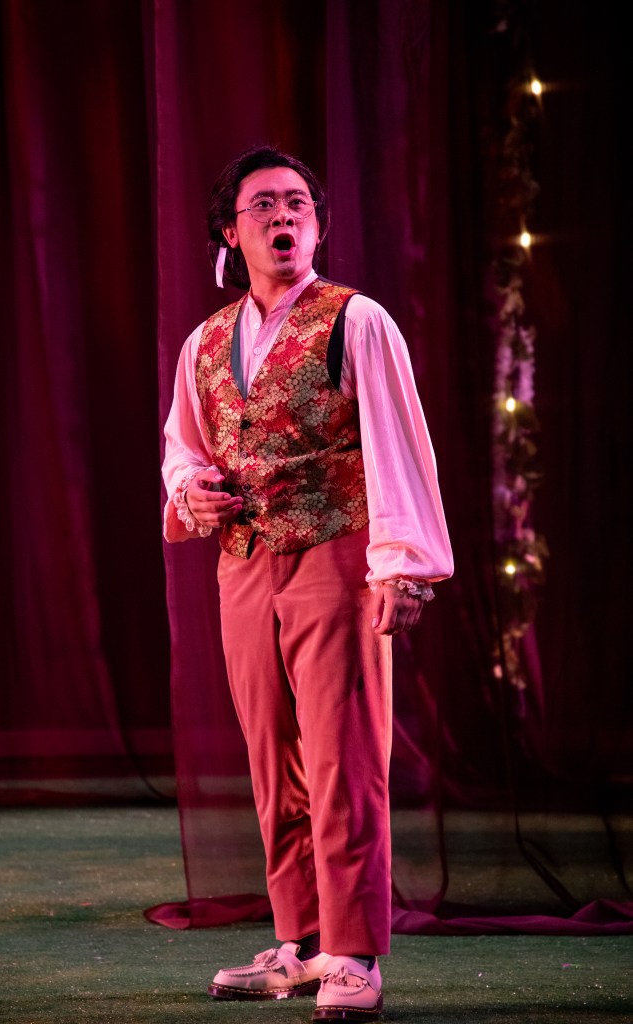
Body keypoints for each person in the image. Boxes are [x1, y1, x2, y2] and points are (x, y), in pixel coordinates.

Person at [162, 144, 453, 1022]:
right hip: (244, 565)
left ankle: (353, 952)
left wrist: (401, 565)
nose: (283, 215)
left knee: (342, 761)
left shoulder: (354, 321)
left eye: (297, 203)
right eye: (263, 205)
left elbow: (397, 442)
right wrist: (191, 490)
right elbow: (182, 446)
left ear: (317, 225)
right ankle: (300, 940)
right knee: (273, 762)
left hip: (335, 555)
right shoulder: (205, 343)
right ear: (230, 231)